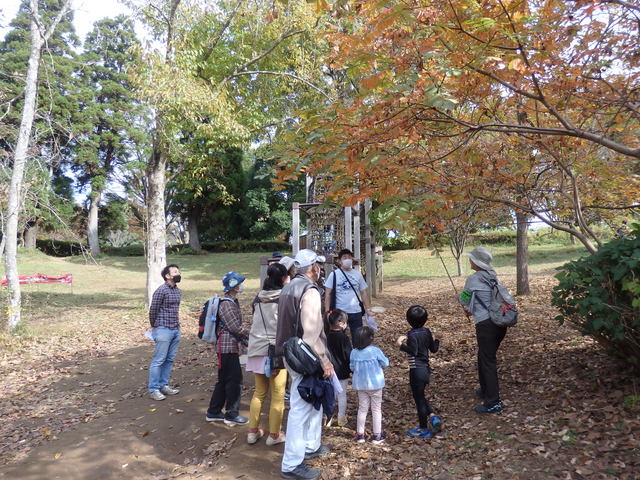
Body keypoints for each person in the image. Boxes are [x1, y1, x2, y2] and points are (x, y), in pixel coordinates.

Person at [275, 249, 333, 480]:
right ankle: (291, 464)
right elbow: (311, 333)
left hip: (291, 353)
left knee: (312, 400)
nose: (320, 269)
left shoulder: (289, 286)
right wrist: (324, 360)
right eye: (318, 265)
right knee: (300, 408)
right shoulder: (309, 290)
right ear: (313, 268)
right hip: (305, 356)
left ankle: (311, 446)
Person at [459, 246, 507, 414]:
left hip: (486, 325)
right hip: (500, 324)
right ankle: (485, 389)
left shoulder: (473, 279)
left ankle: (493, 403)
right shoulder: (492, 275)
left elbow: (464, 298)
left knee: (488, 361)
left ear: (477, 262)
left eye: (472, 259)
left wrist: (462, 302)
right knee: (484, 356)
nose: (469, 261)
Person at [245, 263, 289, 446]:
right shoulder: (284, 298)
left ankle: (252, 432)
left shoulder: (258, 297)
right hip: (275, 351)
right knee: (278, 395)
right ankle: (274, 435)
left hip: (256, 348)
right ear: (283, 278)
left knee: (259, 392)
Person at [205, 272, 250, 425]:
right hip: (228, 346)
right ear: (233, 286)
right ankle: (232, 413)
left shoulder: (230, 302)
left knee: (224, 380)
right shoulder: (227, 304)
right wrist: (251, 335)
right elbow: (235, 327)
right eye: (239, 283)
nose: (241, 286)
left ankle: (214, 411)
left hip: (225, 347)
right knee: (235, 381)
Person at [396, 305, 442, 438]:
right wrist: (436, 339)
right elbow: (434, 349)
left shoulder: (411, 334)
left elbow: (413, 351)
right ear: (425, 319)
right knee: (420, 396)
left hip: (416, 371)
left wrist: (401, 345)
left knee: (419, 400)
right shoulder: (427, 332)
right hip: (426, 370)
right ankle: (433, 417)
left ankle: (423, 429)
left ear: (408, 320)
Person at [148, 264, 182, 401]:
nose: (178, 274)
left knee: (169, 359)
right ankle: (153, 389)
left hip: (175, 329)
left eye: (178, 271)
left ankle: (163, 385)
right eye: (175, 272)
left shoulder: (178, 291)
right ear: (167, 276)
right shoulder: (161, 290)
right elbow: (153, 310)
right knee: (159, 360)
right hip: (163, 329)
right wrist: (155, 327)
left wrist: (177, 328)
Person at [350, 325, 389, 445]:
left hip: (361, 385)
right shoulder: (375, 351)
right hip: (376, 385)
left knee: (362, 409)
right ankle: (377, 435)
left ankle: (360, 435)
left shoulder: (354, 352)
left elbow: (351, 367)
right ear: (370, 338)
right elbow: (385, 363)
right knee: (376, 409)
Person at [324, 249, 372, 343]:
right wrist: (327, 311)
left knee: (358, 338)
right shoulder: (334, 274)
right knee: (339, 338)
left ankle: (357, 351)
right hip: (339, 313)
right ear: (339, 261)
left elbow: (364, 293)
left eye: (349, 257)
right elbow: (328, 294)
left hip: (356, 311)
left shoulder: (357, 274)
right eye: (344, 257)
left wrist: (368, 309)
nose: (347, 259)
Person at [326, 309, 352, 427]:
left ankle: (328, 418)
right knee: (342, 395)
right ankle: (341, 418)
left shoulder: (326, 336)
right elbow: (348, 354)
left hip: (328, 370)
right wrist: (352, 369)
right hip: (342, 371)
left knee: (330, 395)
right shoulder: (344, 338)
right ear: (341, 323)